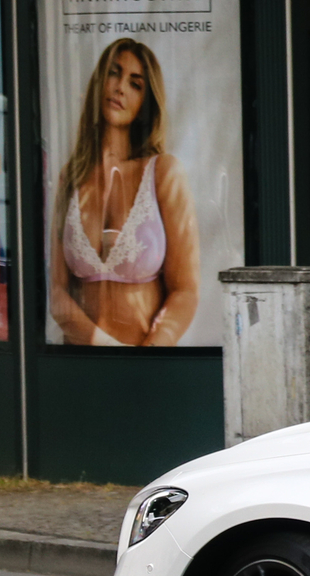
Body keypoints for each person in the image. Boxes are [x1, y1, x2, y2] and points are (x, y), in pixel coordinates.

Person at [49, 38, 202, 347]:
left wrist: (143, 360)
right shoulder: (71, 177)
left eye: (135, 84)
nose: (119, 87)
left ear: (146, 101)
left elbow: (185, 292)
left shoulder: (163, 173)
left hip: (145, 367)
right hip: (79, 366)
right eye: (113, 73)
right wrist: (107, 351)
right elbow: (56, 293)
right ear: (99, 83)